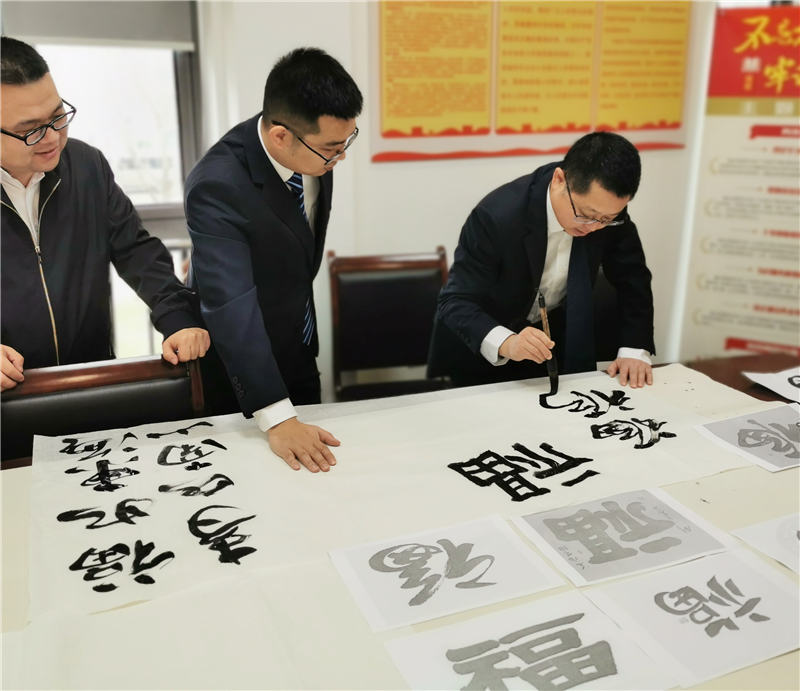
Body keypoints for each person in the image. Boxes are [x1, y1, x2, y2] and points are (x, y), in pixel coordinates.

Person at [185, 47, 363, 474]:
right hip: (241, 371)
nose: (340, 157)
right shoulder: (218, 186)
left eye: (347, 141)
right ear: (281, 136)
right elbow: (231, 305)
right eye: (332, 148)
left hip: (298, 344)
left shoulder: (314, 153)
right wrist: (276, 415)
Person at [0, 37, 209, 392]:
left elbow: (137, 252)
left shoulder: (87, 166)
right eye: (30, 130)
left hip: (90, 382)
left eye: (58, 117)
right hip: (11, 398)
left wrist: (178, 317)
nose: (52, 138)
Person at [427, 131, 655, 389]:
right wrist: (507, 342)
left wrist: (635, 348)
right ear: (559, 180)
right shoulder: (496, 217)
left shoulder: (605, 212)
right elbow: (455, 300)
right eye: (586, 214)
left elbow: (633, 278)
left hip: (552, 346)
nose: (594, 227)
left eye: (606, 219)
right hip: (484, 347)